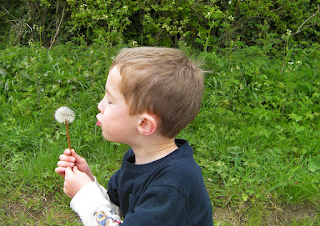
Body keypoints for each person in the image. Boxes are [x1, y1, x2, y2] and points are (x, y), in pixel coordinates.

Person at [55, 47, 214, 226]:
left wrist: (85, 194)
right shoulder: (137, 158)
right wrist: (89, 182)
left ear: (144, 124)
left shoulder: (171, 185)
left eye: (110, 100)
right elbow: (117, 211)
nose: (100, 105)